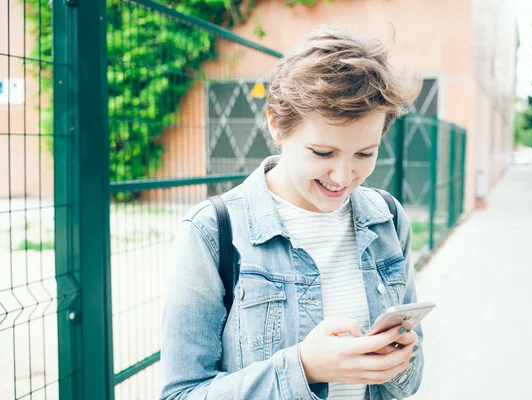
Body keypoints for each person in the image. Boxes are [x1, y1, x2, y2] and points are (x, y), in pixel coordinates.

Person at [160, 23, 423, 400]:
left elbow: (411, 380)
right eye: (323, 153)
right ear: (276, 125)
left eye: (365, 154)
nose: (344, 176)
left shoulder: (388, 218)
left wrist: (397, 364)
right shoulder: (213, 230)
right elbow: (180, 394)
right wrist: (303, 368)